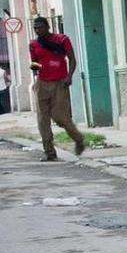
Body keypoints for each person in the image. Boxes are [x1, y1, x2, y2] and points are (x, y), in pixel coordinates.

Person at [29, 17, 85, 160]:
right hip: (42, 83)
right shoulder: (34, 44)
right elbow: (34, 62)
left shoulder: (62, 39)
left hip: (60, 83)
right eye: (35, 28)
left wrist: (69, 76)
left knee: (61, 118)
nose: (37, 30)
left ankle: (78, 139)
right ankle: (49, 152)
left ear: (47, 27)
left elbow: (72, 59)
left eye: (40, 27)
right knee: (43, 119)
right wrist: (36, 73)